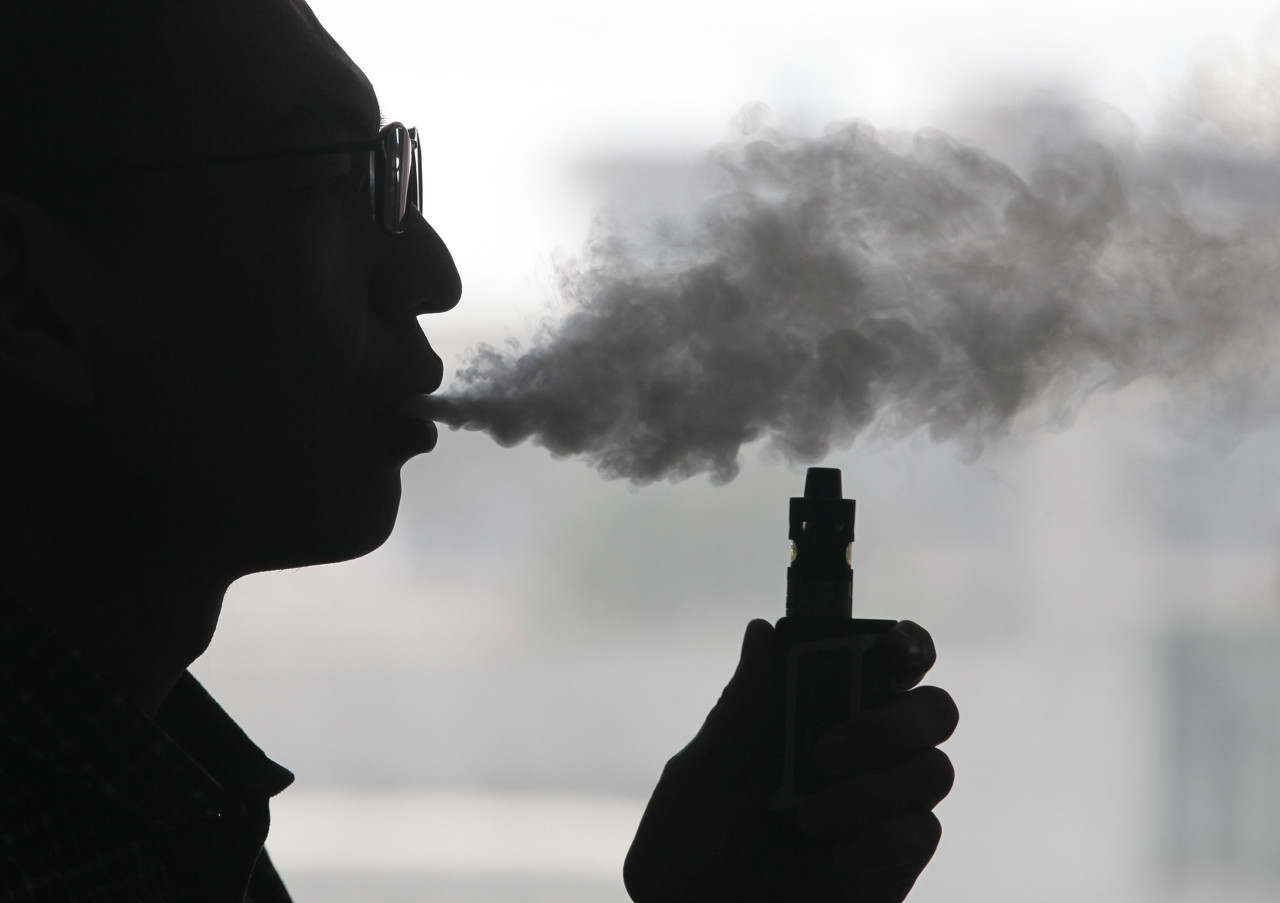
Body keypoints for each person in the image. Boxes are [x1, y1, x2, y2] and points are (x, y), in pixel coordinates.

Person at [0, 2, 958, 901]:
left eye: (390, 171)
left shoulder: (162, 802)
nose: (434, 273)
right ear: (30, 296)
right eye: (332, 186)